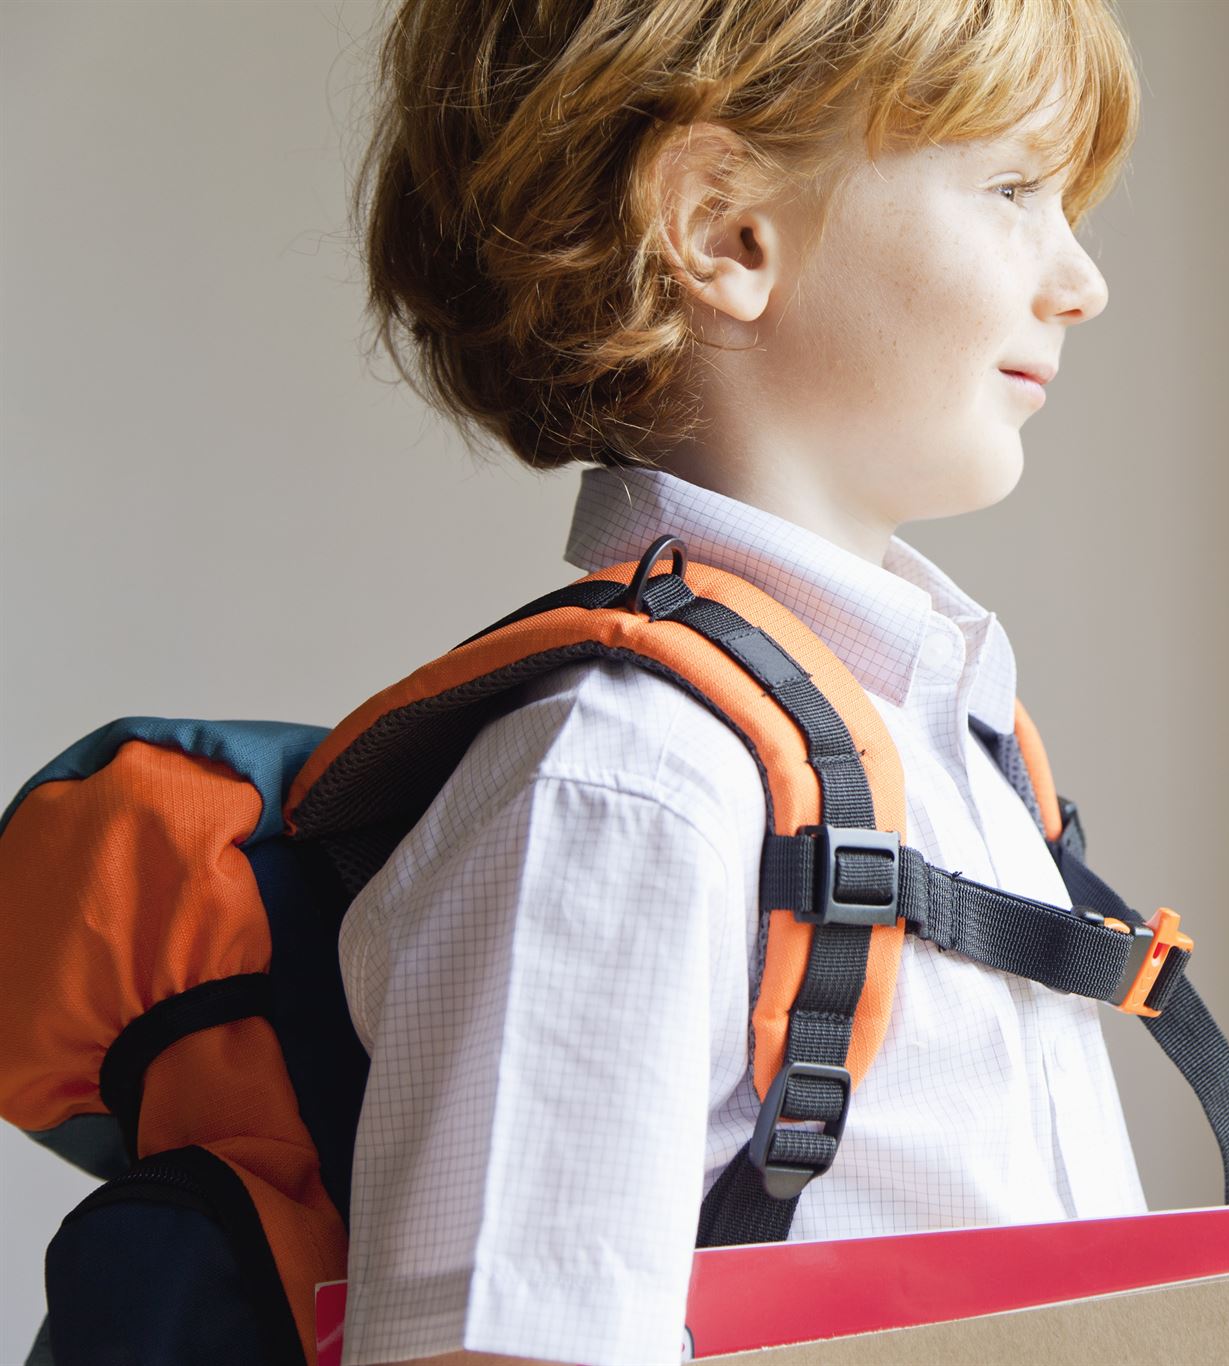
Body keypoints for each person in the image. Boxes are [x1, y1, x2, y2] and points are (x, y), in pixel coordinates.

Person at [336, 2, 1145, 1362]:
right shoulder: (626, 787)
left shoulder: (951, 744)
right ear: (725, 228)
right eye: (1013, 187)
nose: (1082, 280)